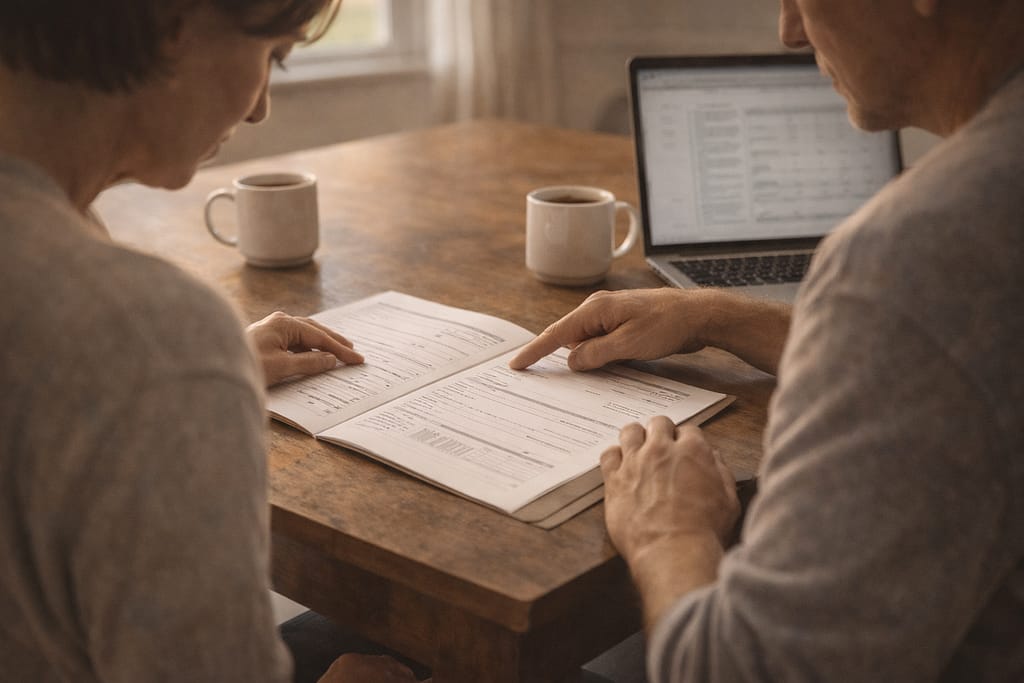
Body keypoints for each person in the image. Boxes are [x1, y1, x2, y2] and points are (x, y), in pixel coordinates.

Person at [510, 0, 1024, 679]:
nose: (789, 29)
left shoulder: (916, 259)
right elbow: (964, 352)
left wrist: (669, 531)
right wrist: (717, 316)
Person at [0, 1, 421, 681]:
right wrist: (172, 368)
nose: (260, 108)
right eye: (272, 55)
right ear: (175, 23)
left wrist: (167, 383)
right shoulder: (154, 339)